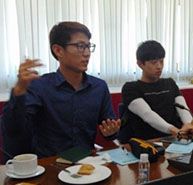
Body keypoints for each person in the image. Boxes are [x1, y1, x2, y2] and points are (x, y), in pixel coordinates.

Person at [1, 21, 121, 159]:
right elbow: (14, 129)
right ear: (58, 50)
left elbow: (110, 126)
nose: (87, 53)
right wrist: (19, 91)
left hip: (87, 164)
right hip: (50, 165)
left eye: (88, 47)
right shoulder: (40, 86)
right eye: (80, 47)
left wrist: (111, 131)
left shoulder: (99, 87)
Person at [121, 40, 193, 141]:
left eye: (161, 61)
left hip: (174, 139)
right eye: (153, 62)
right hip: (148, 143)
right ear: (140, 64)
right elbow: (147, 114)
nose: (159, 66)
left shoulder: (170, 83)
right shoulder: (130, 88)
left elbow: (183, 108)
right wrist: (177, 131)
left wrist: (191, 125)